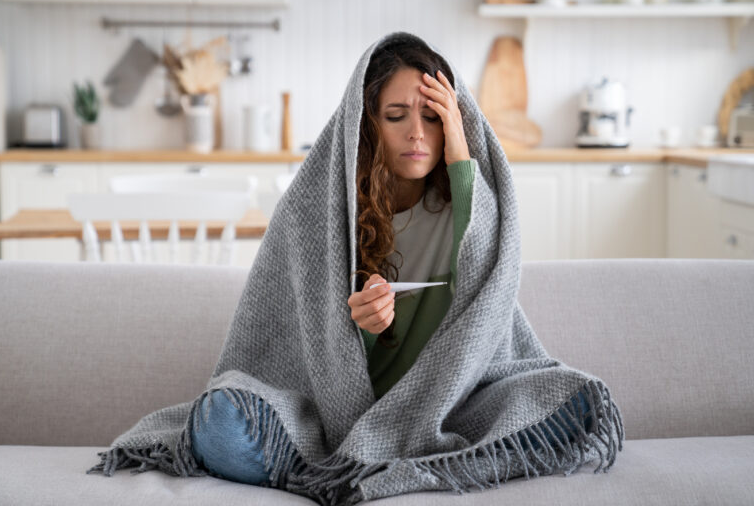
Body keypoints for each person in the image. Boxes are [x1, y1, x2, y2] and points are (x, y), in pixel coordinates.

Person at [189, 36, 592, 488]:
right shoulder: (320, 211)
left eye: (433, 117)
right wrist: (358, 327)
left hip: (445, 403)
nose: (416, 133)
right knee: (223, 424)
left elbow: (485, 279)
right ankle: (360, 461)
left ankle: (378, 458)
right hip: (331, 415)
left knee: (573, 405)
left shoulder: (467, 208)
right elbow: (295, 349)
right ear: (366, 126)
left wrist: (460, 147)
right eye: (396, 117)